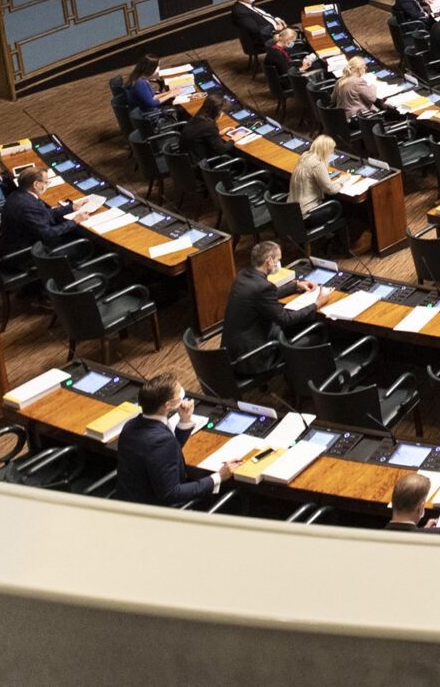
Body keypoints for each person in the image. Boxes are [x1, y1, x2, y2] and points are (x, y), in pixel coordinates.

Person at [116, 376, 237, 506]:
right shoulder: (162, 441)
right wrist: (218, 477)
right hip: (154, 509)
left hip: (129, 499)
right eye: (178, 393)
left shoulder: (130, 425)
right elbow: (172, 493)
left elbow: (164, 454)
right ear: (167, 405)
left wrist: (185, 421)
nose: (182, 396)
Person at [224, 240, 314, 378]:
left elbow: (263, 297)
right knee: (313, 335)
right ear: (269, 261)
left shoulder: (242, 276)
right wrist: (316, 304)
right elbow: (285, 319)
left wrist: (295, 286)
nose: (279, 263)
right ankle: (297, 383)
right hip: (253, 358)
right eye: (278, 259)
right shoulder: (263, 287)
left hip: (232, 354)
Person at [0, 166, 86, 252]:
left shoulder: (18, 194)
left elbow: (46, 213)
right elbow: (48, 234)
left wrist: (72, 207)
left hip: (24, 242)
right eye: (46, 182)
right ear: (36, 184)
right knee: (84, 245)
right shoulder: (29, 205)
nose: (47, 184)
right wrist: (74, 221)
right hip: (33, 252)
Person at [287, 134, 346, 244]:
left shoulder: (304, 157)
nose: (332, 153)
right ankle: (339, 242)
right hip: (306, 216)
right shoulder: (317, 165)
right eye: (331, 150)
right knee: (342, 206)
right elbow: (330, 190)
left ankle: (327, 235)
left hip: (293, 212)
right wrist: (342, 182)